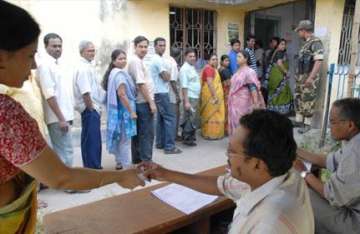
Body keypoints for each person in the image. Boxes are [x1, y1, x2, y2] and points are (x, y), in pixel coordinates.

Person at [0, 2, 144, 233]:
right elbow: (61, 176)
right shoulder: (6, 114)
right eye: (29, 55)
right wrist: (120, 177)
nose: (34, 65)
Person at [141, 110, 314, 234]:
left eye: (232, 151)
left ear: (257, 164)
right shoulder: (278, 174)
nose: (227, 156)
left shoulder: (267, 225)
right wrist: (164, 174)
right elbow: (221, 185)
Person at [295, 98, 360, 234]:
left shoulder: (355, 152)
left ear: (350, 125)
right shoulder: (353, 140)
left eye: (332, 121)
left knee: (301, 194)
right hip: (349, 203)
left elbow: (331, 195)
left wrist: (303, 172)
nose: (330, 127)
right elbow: (329, 161)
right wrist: (294, 149)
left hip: (355, 222)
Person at [36, 33, 75, 168]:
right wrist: (61, 118)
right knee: (65, 152)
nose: (58, 49)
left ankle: (67, 183)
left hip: (64, 115)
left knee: (66, 150)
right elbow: (49, 95)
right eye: (54, 46)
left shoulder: (57, 64)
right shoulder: (45, 66)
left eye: (59, 46)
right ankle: (69, 186)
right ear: (46, 47)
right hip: (58, 118)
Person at [102, 49, 137, 170]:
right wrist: (131, 111)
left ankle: (119, 162)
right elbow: (122, 94)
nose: (123, 61)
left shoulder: (113, 73)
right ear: (113, 61)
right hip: (124, 112)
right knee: (125, 140)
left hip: (118, 111)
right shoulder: (120, 75)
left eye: (124, 58)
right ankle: (127, 165)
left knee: (119, 138)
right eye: (120, 59)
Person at [73, 40, 105, 169]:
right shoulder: (83, 68)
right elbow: (85, 92)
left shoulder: (87, 66)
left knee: (93, 139)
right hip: (89, 109)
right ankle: (93, 168)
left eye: (93, 50)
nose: (92, 53)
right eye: (89, 50)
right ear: (82, 52)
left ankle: (94, 165)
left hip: (92, 108)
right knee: (91, 141)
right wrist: (91, 108)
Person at [149, 37, 181, 154]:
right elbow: (167, 77)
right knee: (170, 118)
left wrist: (166, 73)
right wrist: (167, 73)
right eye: (160, 45)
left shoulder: (160, 59)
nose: (162, 47)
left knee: (161, 119)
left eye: (164, 45)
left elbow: (166, 76)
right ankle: (169, 147)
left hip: (158, 92)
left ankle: (160, 143)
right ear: (155, 47)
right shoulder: (158, 60)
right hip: (161, 92)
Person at [128, 36, 156, 163]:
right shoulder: (135, 61)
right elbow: (141, 84)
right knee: (146, 134)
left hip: (142, 102)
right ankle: (146, 162)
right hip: (143, 103)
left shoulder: (139, 60)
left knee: (139, 134)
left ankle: (139, 161)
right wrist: (151, 102)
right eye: (141, 46)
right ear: (135, 47)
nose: (144, 49)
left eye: (146, 47)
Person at [294, 20, 324, 133]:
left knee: (308, 99)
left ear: (304, 30)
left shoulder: (315, 42)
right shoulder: (306, 43)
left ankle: (307, 125)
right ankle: (299, 121)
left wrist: (311, 78)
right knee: (300, 98)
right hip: (301, 77)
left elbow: (318, 61)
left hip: (309, 78)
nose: (298, 33)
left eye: (299, 31)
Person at [228, 50, 264, 136]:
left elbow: (253, 87)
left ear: (246, 59)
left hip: (243, 102)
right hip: (234, 101)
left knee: (242, 122)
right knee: (235, 121)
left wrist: (256, 103)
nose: (237, 58)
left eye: (239, 57)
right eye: (237, 56)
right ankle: (236, 141)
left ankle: (244, 143)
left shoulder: (249, 71)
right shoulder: (237, 71)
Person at [265, 39, 294, 115]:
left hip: (273, 76)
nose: (283, 46)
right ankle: (281, 111)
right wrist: (286, 72)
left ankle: (272, 109)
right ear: (278, 45)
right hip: (278, 76)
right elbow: (279, 63)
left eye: (284, 44)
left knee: (274, 92)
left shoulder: (274, 52)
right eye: (281, 44)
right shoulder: (280, 52)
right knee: (282, 92)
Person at [200, 53, 225, 140]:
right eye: (213, 59)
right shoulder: (209, 69)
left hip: (212, 94)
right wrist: (215, 96)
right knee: (212, 115)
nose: (215, 61)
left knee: (215, 114)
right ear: (208, 61)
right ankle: (211, 134)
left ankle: (211, 133)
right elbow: (210, 83)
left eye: (216, 59)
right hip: (211, 96)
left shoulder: (212, 69)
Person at [179, 48, 201, 146]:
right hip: (190, 97)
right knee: (189, 118)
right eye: (190, 56)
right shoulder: (184, 69)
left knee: (192, 117)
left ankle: (191, 136)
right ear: (185, 57)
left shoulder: (191, 67)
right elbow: (184, 86)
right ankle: (187, 139)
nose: (193, 58)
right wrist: (186, 101)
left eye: (194, 56)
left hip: (194, 96)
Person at [165, 47, 182, 141]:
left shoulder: (167, 61)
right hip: (172, 94)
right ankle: (174, 136)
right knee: (175, 116)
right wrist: (177, 95)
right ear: (179, 55)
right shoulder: (174, 64)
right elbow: (173, 81)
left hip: (166, 93)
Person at [218, 55, 232, 135]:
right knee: (227, 111)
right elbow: (228, 83)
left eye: (228, 61)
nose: (228, 62)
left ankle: (223, 129)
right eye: (226, 61)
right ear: (222, 61)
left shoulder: (219, 69)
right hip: (226, 92)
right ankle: (226, 130)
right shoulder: (225, 70)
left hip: (221, 91)